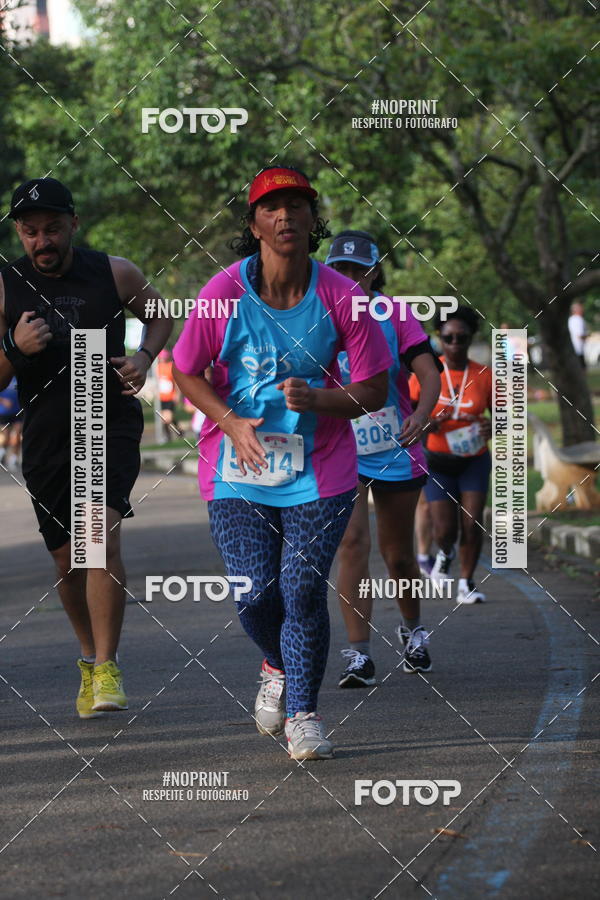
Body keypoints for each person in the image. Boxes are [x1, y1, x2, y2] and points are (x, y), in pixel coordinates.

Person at [172, 166, 391, 760]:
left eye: (298, 205)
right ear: (254, 224)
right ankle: (275, 663)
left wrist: (320, 400)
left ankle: (304, 714)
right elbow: (186, 370)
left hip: (320, 469)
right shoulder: (222, 294)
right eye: (273, 207)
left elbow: (374, 388)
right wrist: (230, 421)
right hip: (235, 468)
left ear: (313, 220)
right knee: (255, 595)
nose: (286, 216)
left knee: (300, 590)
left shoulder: (345, 298)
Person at [0, 177, 172, 718]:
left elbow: (160, 313)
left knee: (99, 539)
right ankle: (87, 657)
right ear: (20, 235)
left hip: (105, 420)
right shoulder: (5, 286)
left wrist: (144, 358)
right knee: (67, 559)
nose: (42, 241)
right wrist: (13, 345)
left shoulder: (114, 272)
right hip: (47, 431)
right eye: (30, 232)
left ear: (73, 223)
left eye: (52, 228)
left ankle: (108, 666)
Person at [326, 230, 442, 686]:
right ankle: (359, 654)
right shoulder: (319, 315)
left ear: (375, 271)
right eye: (342, 270)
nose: (351, 278)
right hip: (340, 447)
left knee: (398, 556)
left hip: (395, 445)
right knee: (352, 544)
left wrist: (423, 413)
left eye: (360, 270)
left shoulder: (396, 314)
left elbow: (427, 372)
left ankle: (413, 630)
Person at [409, 306, 492, 604]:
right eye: (449, 338)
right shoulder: (427, 372)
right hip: (437, 460)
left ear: (471, 339)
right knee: (444, 530)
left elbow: (508, 417)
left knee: (471, 522)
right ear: (439, 339)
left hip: (474, 460)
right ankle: (445, 552)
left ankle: (466, 583)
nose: (455, 344)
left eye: (462, 338)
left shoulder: (484, 375)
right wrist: (428, 423)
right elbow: (408, 415)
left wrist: (491, 425)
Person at [157, 348, 182, 441]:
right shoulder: (157, 367)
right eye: (161, 357)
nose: (162, 359)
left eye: (164, 357)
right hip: (161, 398)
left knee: (167, 418)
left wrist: (177, 394)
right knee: (164, 419)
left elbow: (176, 382)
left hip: (170, 397)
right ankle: (170, 436)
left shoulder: (170, 366)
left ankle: (176, 432)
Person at [0, 376, 22, 471]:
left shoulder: (18, 376)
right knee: (6, 437)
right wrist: (3, 401)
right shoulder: (4, 372)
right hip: (5, 412)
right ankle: (2, 453)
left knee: (17, 435)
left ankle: (14, 459)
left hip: (18, 411)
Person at [568, 302, 589, 369]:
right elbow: (580, 335)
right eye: (581, 308)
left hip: (572, 348)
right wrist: (589, 336)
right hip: (578, 348)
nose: (583, 310)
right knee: (581, 368)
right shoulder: (578, 319)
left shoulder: (570, 319)